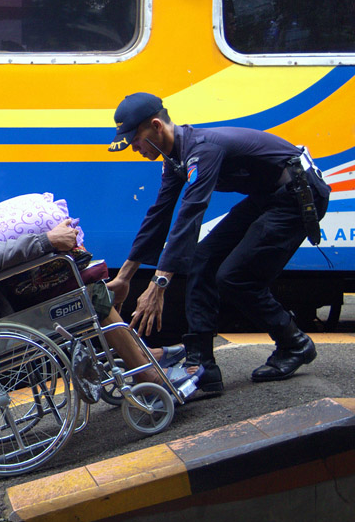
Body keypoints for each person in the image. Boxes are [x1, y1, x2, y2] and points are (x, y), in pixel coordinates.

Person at [105, 92, 330, 395]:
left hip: (298, 195)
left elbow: (191, 214)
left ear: (156, 126)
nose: (133, 147)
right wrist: (124, 277)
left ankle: (295, 343)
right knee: (201, 261)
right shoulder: (175, 158)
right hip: (269, 197)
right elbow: (158, 218)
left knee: (235, 277)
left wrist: (158, 285)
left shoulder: (202, 150)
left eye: (135, 139)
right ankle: (203, 367)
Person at [0, 155, 183, 386]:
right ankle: (146, 372)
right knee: (91, 294)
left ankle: (138, 356)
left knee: (90, 287)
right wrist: (45, 241)